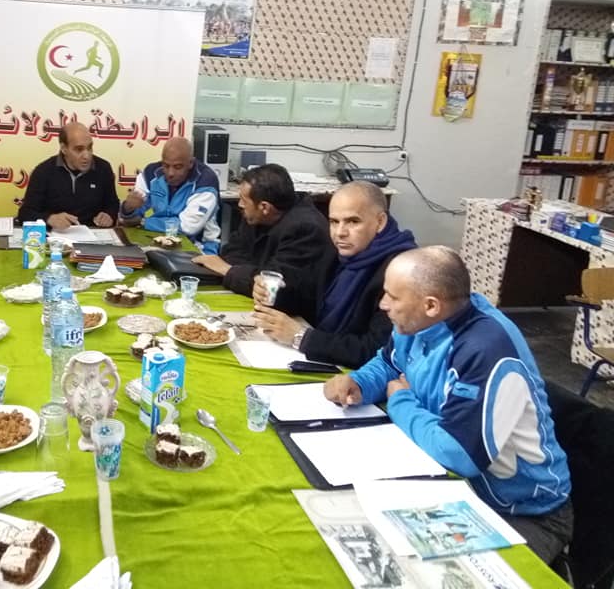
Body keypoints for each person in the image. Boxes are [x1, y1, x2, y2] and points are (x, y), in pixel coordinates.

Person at [323, 246, 573, 564]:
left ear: (430, 305)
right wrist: (358, 382)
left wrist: (400, 401)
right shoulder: (416, 323)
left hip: (523, 512)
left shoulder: (485, 348)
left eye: (393, 297)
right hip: (454, 485)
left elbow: (460, 453)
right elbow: (389, 363)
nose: (383, 304)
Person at [252, 181, 417, 368]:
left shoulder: (403, 272)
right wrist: (274, 294)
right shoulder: (337, 252)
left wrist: (301, 337)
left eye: (353, 221)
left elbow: (376, 350)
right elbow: (309, 299)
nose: (340, 233)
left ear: (380, 222)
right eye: (334, 222)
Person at [192, 163, 334, 297]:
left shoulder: (305, 230)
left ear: (264, 207)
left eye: (244, 200)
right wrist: (245, 274)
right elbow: (233, 251)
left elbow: (273, 286)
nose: (240, 205)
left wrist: (227, 270)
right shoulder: (256, 216)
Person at [118, 137, 220, 254]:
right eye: (166, 166)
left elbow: (187, 227)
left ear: (191, 163)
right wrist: (128, 208)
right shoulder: (150, 173)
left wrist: (144, 222)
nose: (170, 173)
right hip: (158, 240)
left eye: (178, 167)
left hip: (199, 247)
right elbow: (131, 218)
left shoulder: (206, 181)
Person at [16, 122, 120, 230]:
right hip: (56, 236)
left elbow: (112, 204)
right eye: (79, 149)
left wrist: (109, 215)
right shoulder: (43, 171)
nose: (87, 156)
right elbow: (25, 214)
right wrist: (49, 219)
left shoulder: (103, 168)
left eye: (89, 148)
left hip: (93, 234)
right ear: (64, 148)